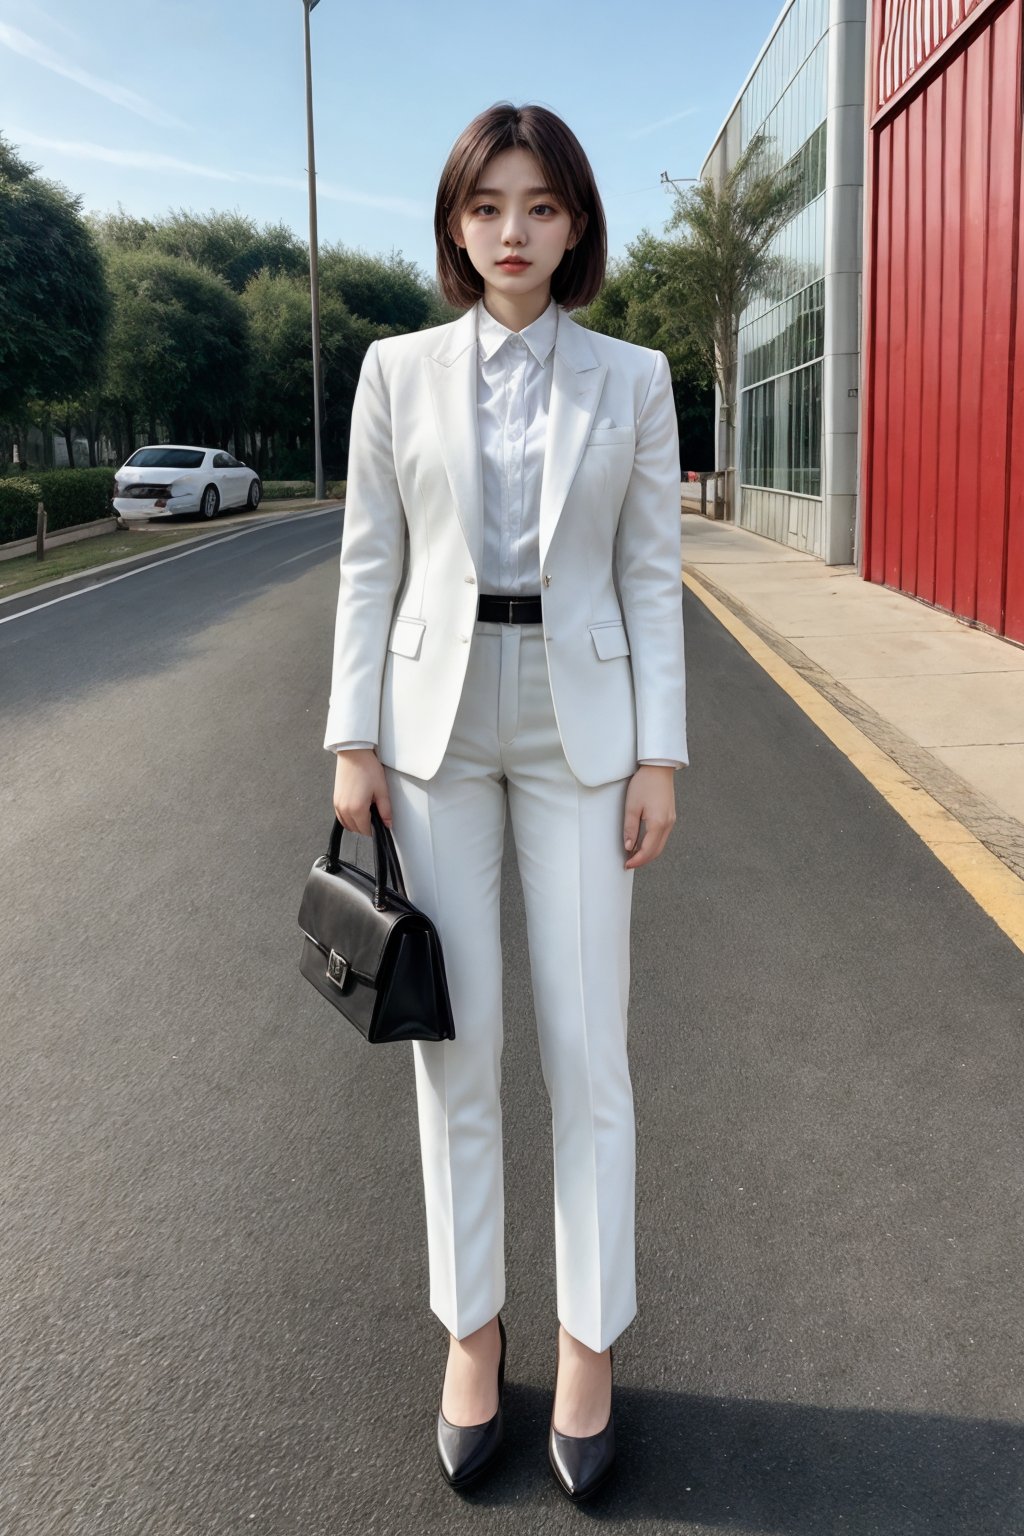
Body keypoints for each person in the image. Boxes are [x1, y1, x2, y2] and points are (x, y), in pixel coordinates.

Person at [324, 101, 687, 1501]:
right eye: (489, 207)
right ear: (455, 224)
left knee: (590, 1049)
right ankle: (473, 1332)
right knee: (454, 1048)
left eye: (540, 206)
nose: (514, 233)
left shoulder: (634, 377)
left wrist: (662, 754)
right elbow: (371, 559)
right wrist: (351, 739)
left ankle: (589, 1341)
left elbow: (652, 573)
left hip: (583, 723)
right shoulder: (396, 372)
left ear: (577, 222)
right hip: (432, 723)